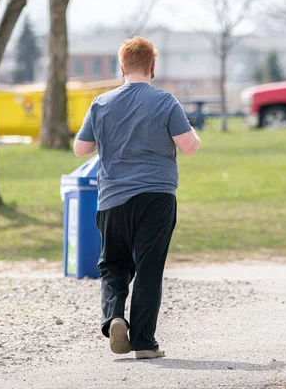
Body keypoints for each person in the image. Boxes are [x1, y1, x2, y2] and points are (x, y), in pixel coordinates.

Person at [73, 36, 201, 359]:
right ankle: (144, 342)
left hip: (113, 200)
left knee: (114, 265)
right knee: (148, 268)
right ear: (152, 68)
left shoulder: (100, 104)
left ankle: (115, 316)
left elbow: (81, 149)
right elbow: (189, 146)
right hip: (157, 198)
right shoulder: (166, 102)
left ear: (122, 68)